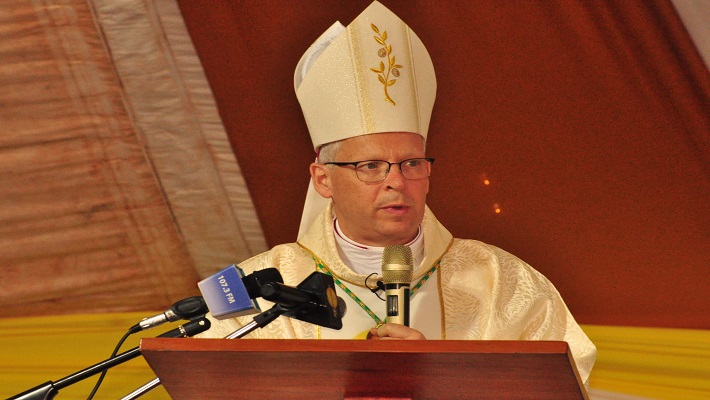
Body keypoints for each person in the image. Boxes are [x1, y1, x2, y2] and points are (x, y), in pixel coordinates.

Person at [199, 1, 596, 386]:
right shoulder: (259, 287)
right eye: (370, 166)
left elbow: (557, 386)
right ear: (323, 179)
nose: (396, 182)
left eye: (411, 164)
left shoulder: (501, 282)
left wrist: (438, 380)